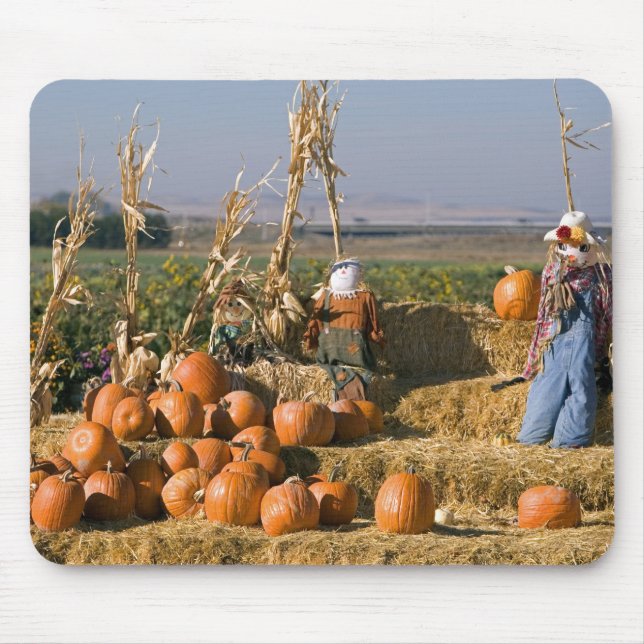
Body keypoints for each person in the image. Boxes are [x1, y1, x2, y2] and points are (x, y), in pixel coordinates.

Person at [492, 211, 612, 448]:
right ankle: (530, 440)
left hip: (583, 346)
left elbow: (608, 316)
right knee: (545, 390)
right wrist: (531, 365)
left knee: (580, 393)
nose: (569, 253)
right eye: (563, 246)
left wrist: (602, 356)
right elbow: (543, 319)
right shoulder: (552, 271)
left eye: (578, 247)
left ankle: (567, 444)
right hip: (554, 343)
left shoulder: (602, 274)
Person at [304, 257, 385, 400]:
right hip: (328, 352)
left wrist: (376, 335)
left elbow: (373, 320)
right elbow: (315, 321)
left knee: (362, 370)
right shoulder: (325, 295)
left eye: (347, 268)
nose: (342, 270)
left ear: (359, 275)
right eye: (339, 267)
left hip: (355, 353)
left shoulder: (365, 296)